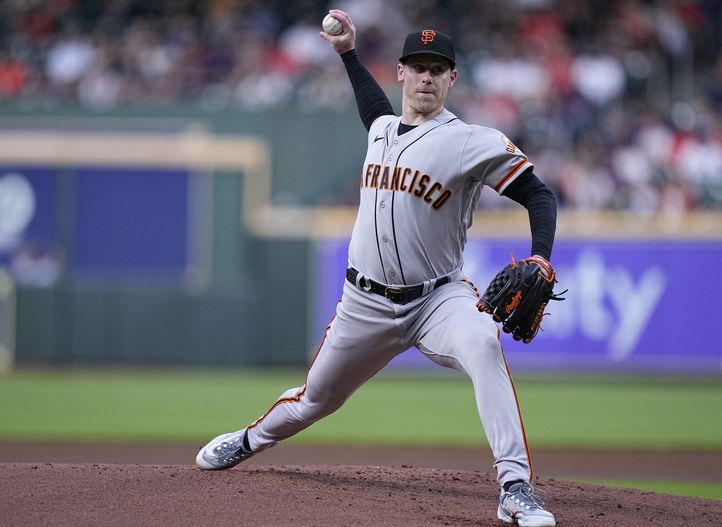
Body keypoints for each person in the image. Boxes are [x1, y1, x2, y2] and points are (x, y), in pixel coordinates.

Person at [196, 9, 558, 527]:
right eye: (418, 66)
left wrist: (542, 255)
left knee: (482, 342)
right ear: (401, 73)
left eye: (438, 68)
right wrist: (347, 52)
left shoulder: (471, 140)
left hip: (438, 299)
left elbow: (538, 195)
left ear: (452, 78)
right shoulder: (383, 129)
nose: (428, 76)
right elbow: (371, 108)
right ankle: (250, 439)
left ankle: (514, 486)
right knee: (312, 402)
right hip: (363, 303)